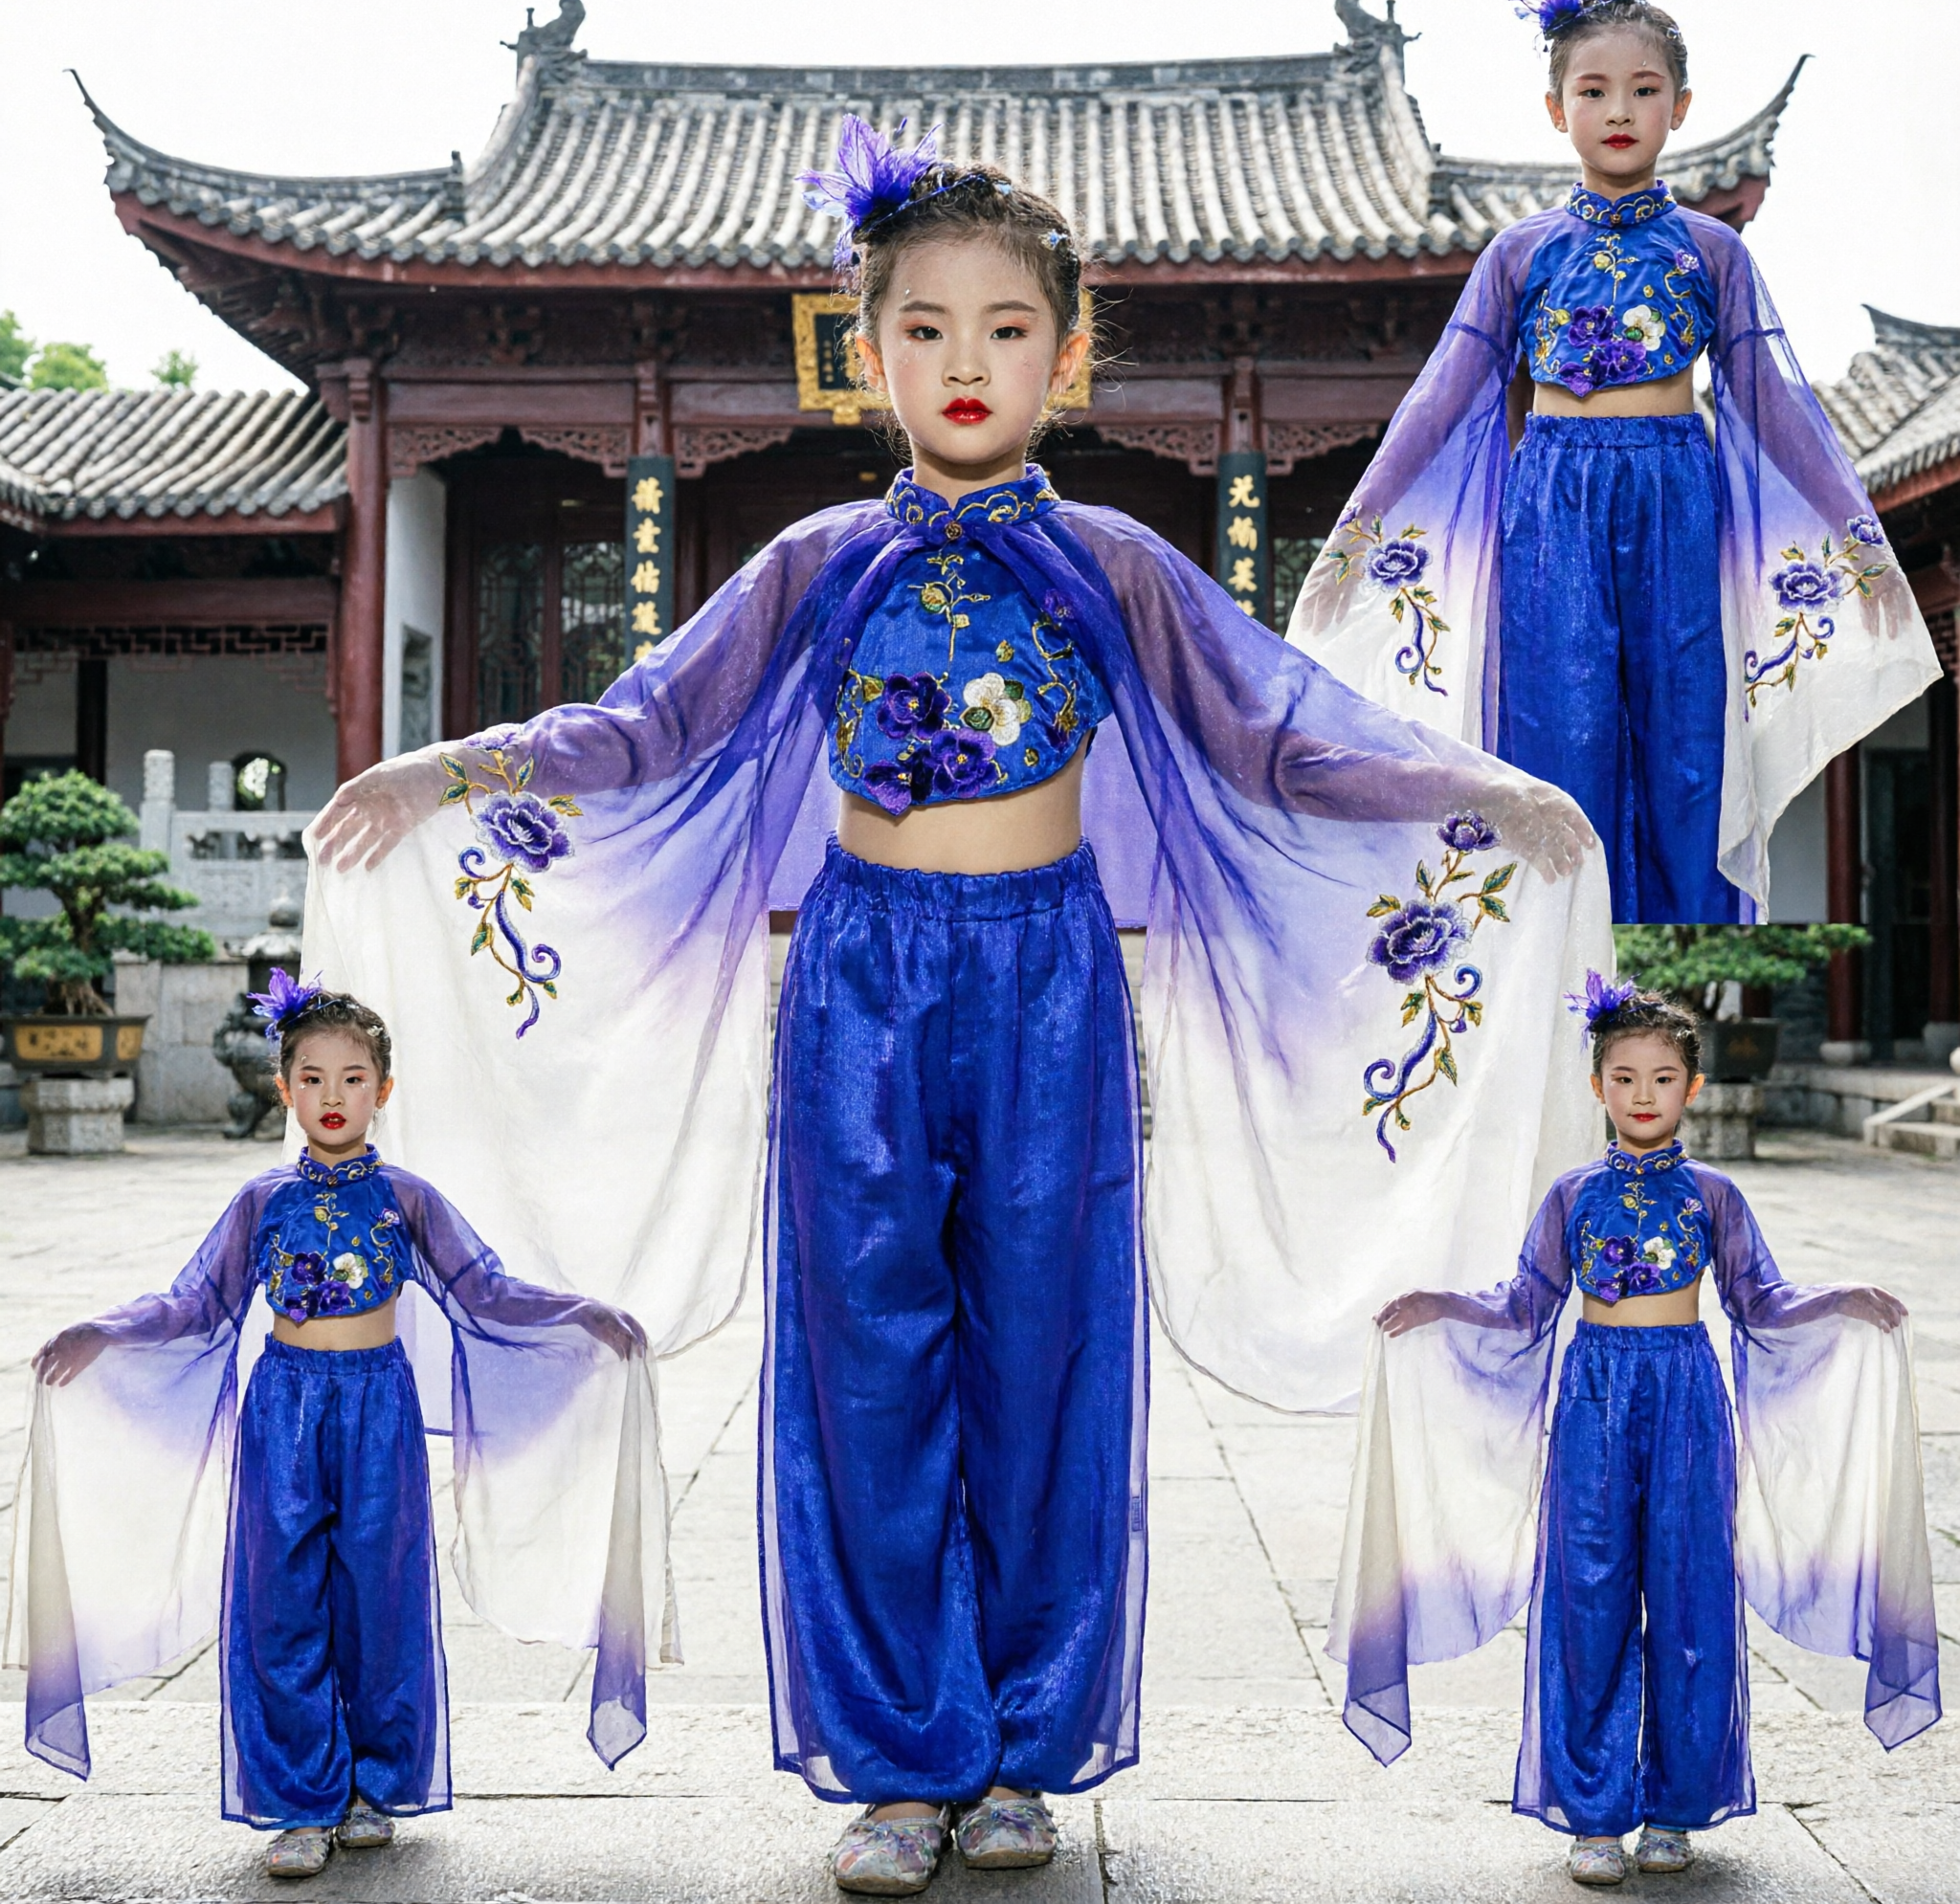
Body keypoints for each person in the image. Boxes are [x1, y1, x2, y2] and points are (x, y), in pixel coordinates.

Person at [303, 117, 1609, 1894]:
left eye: (1007, 326)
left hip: (1050, 976)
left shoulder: (1120, 564)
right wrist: (447, 766)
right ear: (868, 353)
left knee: (1043, 1354)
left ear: (1067, 354)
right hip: (858, 981)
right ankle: (902, 1757)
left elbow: (1279, 736)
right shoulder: (818, 560)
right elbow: (648, 724)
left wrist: (1481, 786)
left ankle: (1023, 1747)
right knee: (867, 1362)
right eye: (924, 327)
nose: (966, 360)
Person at [1287, 0, 1939, 924]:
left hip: (1677, 491)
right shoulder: (1518, 254)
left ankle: (1682, 939)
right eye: (1592, 91)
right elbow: (1438, 404)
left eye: (1643, 89)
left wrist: (1859, 543)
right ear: (1556, 110)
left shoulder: (1712, 252)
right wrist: (1355, 534)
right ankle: (1556, 943)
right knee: (1560, 726)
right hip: (1551, 499)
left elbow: (1773, 408)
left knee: (1688, 734)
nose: (1619, 110)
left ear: (1680, 107)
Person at [9, 976, 662, 1881]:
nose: (332, 1096)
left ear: (383, 1090)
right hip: (282, 1409)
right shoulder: (262, 1201)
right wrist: (104, 1332)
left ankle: (373, 1787)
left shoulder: (406, 1198)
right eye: (312, 1078)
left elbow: (487, 1293)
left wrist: (583, 1315)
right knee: (281, 1603)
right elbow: (196, 1303)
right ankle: (301, 1801)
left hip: (377, 1410)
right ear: (284, 1088)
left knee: (380, 1599)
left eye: (353, 1079)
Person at [1345, 977, 1940, 1888]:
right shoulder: (1572, 1196)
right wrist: (1440, 1303)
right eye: (1623, 1078)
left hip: (1688, 1399)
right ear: (1598, 1087)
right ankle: (1593, 1813)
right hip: (1593, 1399)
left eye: (1662, 1078)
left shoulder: (1714, 1195)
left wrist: (1841, 1299)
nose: (1643, 1094)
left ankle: (1675, 1808)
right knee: (1589, 1598)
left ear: (1691, 1087)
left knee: (1690, 1593)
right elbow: (1524, 1303)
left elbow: (1760, 1300)